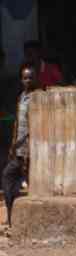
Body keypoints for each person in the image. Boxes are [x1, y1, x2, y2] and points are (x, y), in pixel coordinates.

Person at [2, 66, 38, 227]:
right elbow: (18, 122)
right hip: (18, 148)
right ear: (21, 80)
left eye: (30, 77)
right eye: (25, 78)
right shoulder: (21, 97)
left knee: (14, 178)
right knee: (10, 180)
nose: (27, 80)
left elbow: (35, 124)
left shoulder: (37, 97)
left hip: (30, 149)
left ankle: (15, 220)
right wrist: (13, 145)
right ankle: (11, 218)